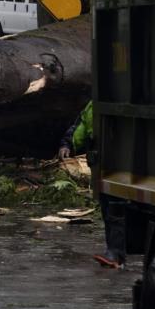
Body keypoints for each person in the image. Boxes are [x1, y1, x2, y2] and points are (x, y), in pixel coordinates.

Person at [58, 101, 127, 269]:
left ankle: (115, 253)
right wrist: (67, 144)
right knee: (107, 208)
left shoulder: (119, 100)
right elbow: (80, 126)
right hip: (101, 164)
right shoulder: (92, 105)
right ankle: (113, 252)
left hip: (121, 164)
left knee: (115, 209)